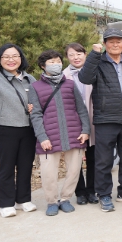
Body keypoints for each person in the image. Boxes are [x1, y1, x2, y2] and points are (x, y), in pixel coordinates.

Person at [78, 28, 122, 211]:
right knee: (104, 161)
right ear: (105, 44)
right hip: (105, 119)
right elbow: (85, 78)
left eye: (118, 41)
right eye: (111, 41)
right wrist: (94, 54)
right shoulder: (98, 62)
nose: (115, 44)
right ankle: (104, 194)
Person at [29, 50, 91, 216]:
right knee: (48, 172)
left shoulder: (70, 84)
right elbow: (35, 114)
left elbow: (81, 108)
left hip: (74, 133)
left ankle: (65, 199)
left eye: (58, 61)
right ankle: (51, 201)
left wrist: (85, 130)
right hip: (49, 136)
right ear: (43, 66)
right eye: (51, 62)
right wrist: (42, 137)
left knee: (74, 170)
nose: (56, 64)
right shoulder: (35, 87)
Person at [0, 44, 37, 217]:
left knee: (26, 165)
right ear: (0, 60)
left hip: (28, 128)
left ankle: (23, 199)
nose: (11, 60)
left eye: (15, 56)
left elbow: (39, 99)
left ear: (21, 58)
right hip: (5, 127)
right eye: (6, 56)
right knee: (7, 166)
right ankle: (6, 203)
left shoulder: (29, 78)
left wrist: (35, 107)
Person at [64, 43, 97, 206]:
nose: (76, 57)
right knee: (75, 160)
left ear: (85, 54)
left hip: (93, 119)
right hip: (73, 121)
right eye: (71, 55)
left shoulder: (95, 71)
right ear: (67, 57)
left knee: (93, 158)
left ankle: (91, 190)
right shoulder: (63, 76)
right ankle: (80, 192)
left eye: (79, 54)